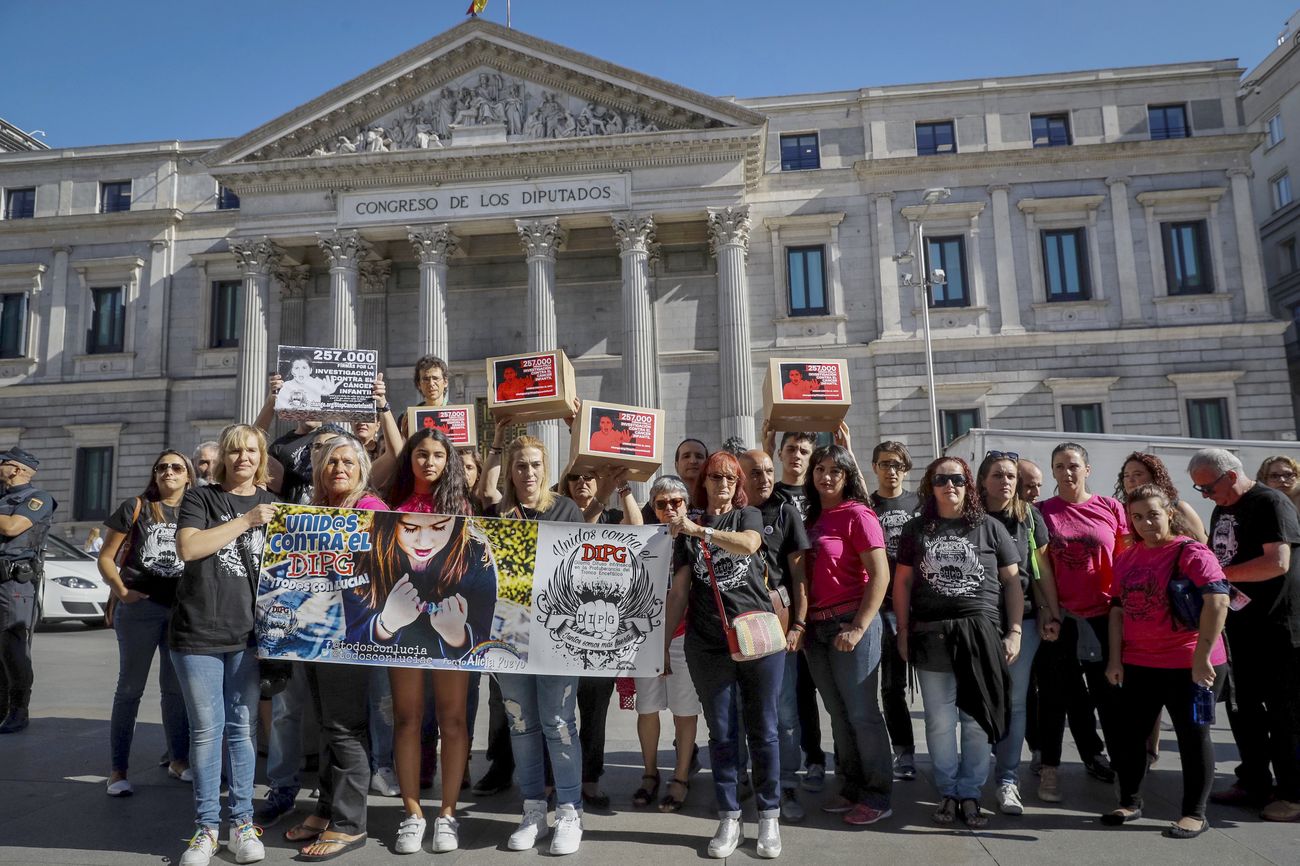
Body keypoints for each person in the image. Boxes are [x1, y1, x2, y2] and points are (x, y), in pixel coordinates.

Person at [663, 451, 782, 859]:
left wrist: (700, 530)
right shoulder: (687, 526)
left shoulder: (745, 517)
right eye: (716, 477)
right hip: (708, 642)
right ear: (705, 482)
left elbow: (749, 546)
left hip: (756, 639)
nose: (724, 484)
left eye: (732, 478)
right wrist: (661, 646)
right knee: (722, 732)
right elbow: (679, 592)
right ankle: (730, 815)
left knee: (764, 730)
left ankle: (769, 815)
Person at [894, 456, 1021, 829]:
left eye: (958, 479)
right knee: (938, 720)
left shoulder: (990, 527)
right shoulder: (916, 529)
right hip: (930, 633)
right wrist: (902, 630)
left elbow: (1013, 582)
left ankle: (970, 793)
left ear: (969, 485)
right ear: (929, 487)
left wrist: (1014, 631)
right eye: (941, 479)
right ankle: (948, 790)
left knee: (977, 719)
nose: (950, 485)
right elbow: (901, 583)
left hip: (981, 633)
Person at [375, 427, 485, 854]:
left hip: (449, 624)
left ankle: (448, 815)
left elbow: (480, 579)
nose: (429, 463)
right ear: (411, 458)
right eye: (421, 454)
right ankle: (412, 813)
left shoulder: (463, 508)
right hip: (401, 619)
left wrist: (458, 633)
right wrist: (387, 621)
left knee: (453, 720)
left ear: (448, 461)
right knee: (407, 718)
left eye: (438, 455)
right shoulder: (389, 502)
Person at [172, 424, 277, 866]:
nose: (243, 458)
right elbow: (189, 548)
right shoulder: (201, 498)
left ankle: (242, 823)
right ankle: (206, 829)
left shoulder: (274, 504)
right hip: (198, 632)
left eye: (252, 451)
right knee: (205, 731)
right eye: (235, 451)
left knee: (242, 730)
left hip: (248, 636)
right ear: (223, 458)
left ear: (262, 456)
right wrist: (246, 521)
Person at [280, 435, 389, 861]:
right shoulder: (315, 511)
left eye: (347, 461)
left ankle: (349, 824)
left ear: (362, 468)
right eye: (329, 463)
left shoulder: (371, 509)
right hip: (315, 635)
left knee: (345, 729)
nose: (338, 468)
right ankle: (327, 811)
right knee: (327, 725)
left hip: (352, 635)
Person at [1102, 484, 1230, 839]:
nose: (1145, 524)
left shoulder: (1190, 552)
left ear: (1169, 514)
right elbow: (1116, 611)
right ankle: (1130, 802)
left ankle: (1195, 813)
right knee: (1131, 737)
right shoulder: (1128, 556)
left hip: (1190, 663)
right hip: (1141, 662)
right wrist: (1115, 659)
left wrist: (1202, 657)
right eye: (1137, 517)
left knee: (1193, 736)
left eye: (1153, 515)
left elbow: (1218, 602)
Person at [486, 435, 587, 855]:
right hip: (509, 631)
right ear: (510, 472)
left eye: (535, 465)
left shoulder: (566, 508)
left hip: (558, 632)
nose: (529, 472)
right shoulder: (497, 514)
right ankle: (532, 810)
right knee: (520, 723)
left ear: (547, 469)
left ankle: (569, 811)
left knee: (558, 723)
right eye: (521, 465)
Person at [1190, 448, 1300, 822]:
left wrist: (1220, 577)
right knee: (1244, 710)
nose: (1205, 496)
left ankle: (1293, 793)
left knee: (1284, 714)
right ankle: (1254, 780)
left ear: (1230, 477)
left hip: (1278, 629)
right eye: (1199, 489)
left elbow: (1277, 562)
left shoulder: (1270, 502)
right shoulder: (1225, 506)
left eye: (1207, 488)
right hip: (1240, 626)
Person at [798, 444, 895, 826]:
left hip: (851, 625)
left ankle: (878, 793)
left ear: (847, 475)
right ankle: (852, 786)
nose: (826, 476)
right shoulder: (812, 519)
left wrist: (859, 627)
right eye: (819, 469)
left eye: (834, 470)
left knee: (863, 714)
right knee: (838, 714)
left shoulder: (859, 515)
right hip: (817, 630)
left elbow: (881, 575)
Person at [98, 450, 195, 796]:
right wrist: (122, 591)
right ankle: (118, 770)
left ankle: (178, 761)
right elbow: (106, 558)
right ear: (155, 474)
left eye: (177, 467)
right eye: (162, 467)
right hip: (140, 608)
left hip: (181, 610)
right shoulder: (135, 506)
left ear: (188, 476)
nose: (169, 471)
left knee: (175, 691)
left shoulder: (196, 508)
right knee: (129, 690)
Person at [1034, 442, 1125, 803]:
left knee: (1111, 700)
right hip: (1062, 621)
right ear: (1052, 473)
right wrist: (1048, 613)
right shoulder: (1041, 512)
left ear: (1087, 469)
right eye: (1059, 466)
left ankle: (1124, 773)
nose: (1067, 472)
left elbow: (1125, 560)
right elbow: (1039, 570)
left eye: (1073, 465)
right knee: (1055, 700)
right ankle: (1051, 771)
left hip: (1106, 619)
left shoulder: (1110, 508)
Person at [977, 451, 1062, 816]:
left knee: (1015, 701)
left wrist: (1051, 614)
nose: (1006, 482)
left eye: (1011, 476)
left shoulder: (1028, 516)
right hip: (976, 621)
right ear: (983, 480)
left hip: (1023, 620)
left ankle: (1007, 779)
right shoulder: (970, 516)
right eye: (998, 475)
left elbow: (1041, 568)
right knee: (977, 699)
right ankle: (975, 773)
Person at [561, 465, 642, 809]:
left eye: (589, 476)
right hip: (562, 631)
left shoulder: (611, 515)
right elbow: (581, 528)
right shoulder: (558, 513)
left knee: (594, 712)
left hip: (601, 634)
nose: (582, 482)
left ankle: (590, 780)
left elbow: (637, 529)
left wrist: (621, 486)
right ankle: (557, 781)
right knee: (558, 713)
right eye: (576, 477)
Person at [738, 449, 811, 823]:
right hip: (735, 626)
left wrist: (799, 624)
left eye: (769, 471)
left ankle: (786, 784)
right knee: (740, 710)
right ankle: (744, 780)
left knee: (782, 714)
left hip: (778, 621)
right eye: (755, 472)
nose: (764, 478)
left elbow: (799, 577)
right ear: (741, 476)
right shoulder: (729, 514)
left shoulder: (786, 512)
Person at [631, 476, 702, 813]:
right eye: (662, 503)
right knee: (647, 707)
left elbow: (680, 593)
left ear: (686, 505)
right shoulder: (643, 536)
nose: (670, 509)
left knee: (684, 710)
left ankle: (681, 777)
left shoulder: (692, 539)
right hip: (644, 635)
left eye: (677, 502)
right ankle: (649, 773)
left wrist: (663, 646)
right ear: (653, 507)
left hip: (682, 636)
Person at [868, 440, 920, 782]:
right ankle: (884, 750)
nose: (892, 471)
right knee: (882, 687)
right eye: (885, 464)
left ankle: (905, 751)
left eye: (898, 464)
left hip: (917, 606)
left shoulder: (920, 503)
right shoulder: (868, 504)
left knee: (895, 686)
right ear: (875, 467)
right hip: (878, 606)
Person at [0, 447, 56, 735]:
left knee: (13, 645)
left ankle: (18, 709)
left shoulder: (37, 498)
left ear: (18, 469)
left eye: (2, 463)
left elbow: (12, 527)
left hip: (14, 583)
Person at [1115, 452, 1207, 544]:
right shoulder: (1119, 511)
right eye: (1126, 475)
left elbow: (1204, 546)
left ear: (1155, 477)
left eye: (1138, 474)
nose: (1130, 480)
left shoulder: (1178, 507)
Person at [399, 354, 451, 438]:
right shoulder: (408, 417)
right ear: (419, 384)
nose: (431, 384)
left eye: (435, 378)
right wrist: (404, 436)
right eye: (426, 379)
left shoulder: (458, 415)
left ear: (445, 382)